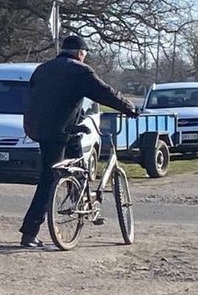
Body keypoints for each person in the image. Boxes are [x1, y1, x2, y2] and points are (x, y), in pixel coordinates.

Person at [20, 35, 138, 248]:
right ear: (81, 53)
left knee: (75, 161)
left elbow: (42, 98)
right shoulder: (80, 71)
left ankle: (79, 200)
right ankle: (30, 231)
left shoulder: (42, 69)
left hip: (39, 128)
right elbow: (105, 93)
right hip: (59, 131)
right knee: (49, 178)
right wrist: (128, 107)